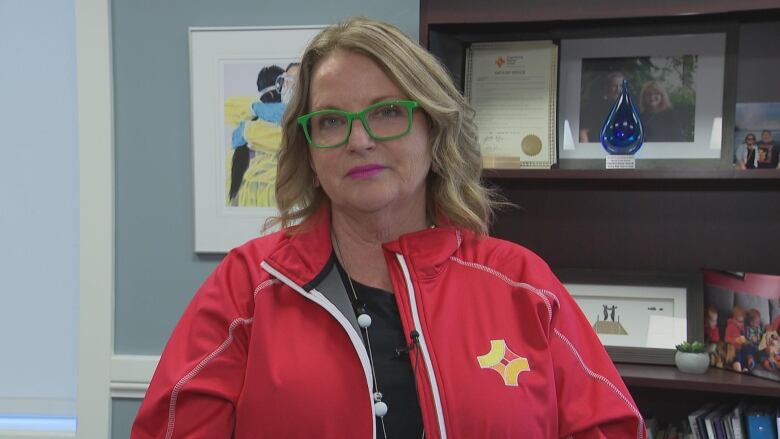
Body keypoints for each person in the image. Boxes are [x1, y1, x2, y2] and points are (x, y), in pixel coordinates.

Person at [132, 17, 644, 438]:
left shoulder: (521, 283)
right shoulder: (249, 285)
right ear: (308, 152)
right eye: (331, 121)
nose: (359, 140)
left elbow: (612, 428)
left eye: (389, 111)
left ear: (434, 131)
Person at [579, 71, 625, 143]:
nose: (618, 89)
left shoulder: (628, 108)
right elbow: (583, 132)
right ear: (607, 87)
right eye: (614, 86)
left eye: (621, 86)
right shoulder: (594, 107)